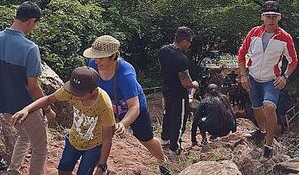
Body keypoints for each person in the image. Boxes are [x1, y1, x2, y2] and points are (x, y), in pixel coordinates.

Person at [0, 1, 55, 175]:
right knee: (40, 148)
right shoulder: (30, 48)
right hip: (26, 108)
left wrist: (1, 84)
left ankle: (13, 171)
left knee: (24, 136)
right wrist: (47, 109)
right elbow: (34, 87)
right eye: (35, 25)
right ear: (31, 21)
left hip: (5, 106)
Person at [85, 35, 170, 175]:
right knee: (99, 136)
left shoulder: (126, 74)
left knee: (146, 139)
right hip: (108, 104)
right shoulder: (93, 65)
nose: (96, 60)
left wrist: (123, 124)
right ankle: (102, 167)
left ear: (112, 56)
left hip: (132, 108)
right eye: (95, 57)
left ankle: (162, 162)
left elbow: (134, 106)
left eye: (100, 58)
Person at [12, 66, 115, 175]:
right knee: (63, 171)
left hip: (94, 145)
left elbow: (107, 138)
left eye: (79, 93)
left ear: (93, 90)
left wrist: (101, 166)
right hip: (74, 139)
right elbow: (48, 99)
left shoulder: (104, 105)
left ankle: (105, 171)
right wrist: (27, 109)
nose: (74, 95)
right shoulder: (70, 91)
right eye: (74, 91)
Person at [237, 1, 298, 162]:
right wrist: (243, 75)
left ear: (279, 18)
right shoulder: (254, 33)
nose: (271, 20)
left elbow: (293, 61)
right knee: (257, 108)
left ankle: (269, 146)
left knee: (269, 107)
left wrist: (285, 77)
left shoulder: (285, 37)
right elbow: (241, 55)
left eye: (274, 17)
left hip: (272, 80)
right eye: (268, 16)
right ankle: (262, 130)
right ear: (262, 17)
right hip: (253, 77)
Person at [159, 26, 199, 155]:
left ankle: (165, 139)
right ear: (184, 41)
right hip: (179, 93)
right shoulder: (180, 58)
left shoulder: (163, 50)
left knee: (167, 114)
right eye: (189, 42)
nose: (189, 44)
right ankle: (175, 148)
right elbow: (186, 83)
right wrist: (195, 84)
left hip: (166, 88)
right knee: (179, 119)